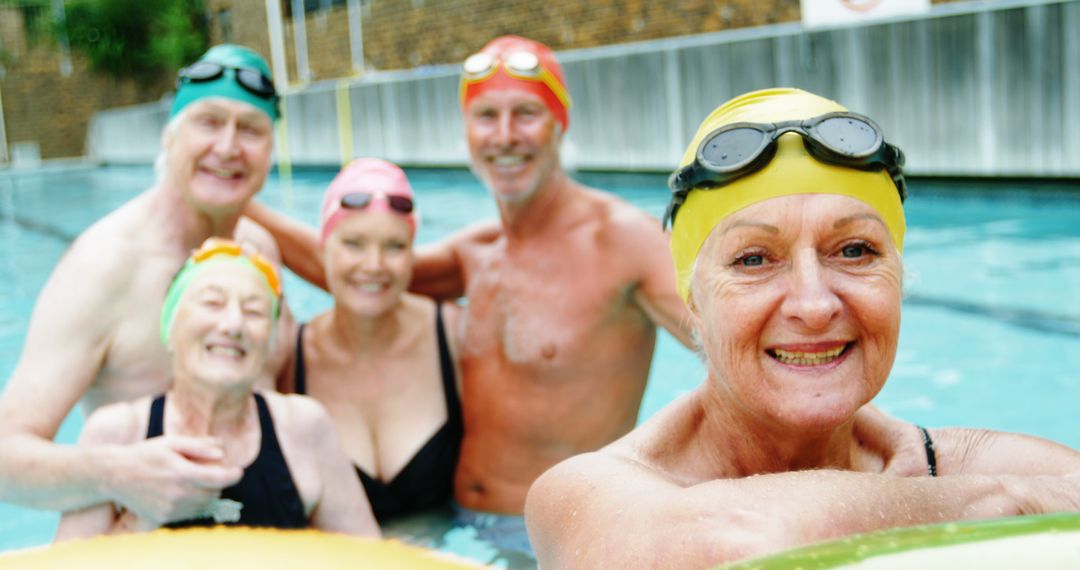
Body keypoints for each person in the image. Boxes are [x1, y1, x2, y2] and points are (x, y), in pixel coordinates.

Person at [524, 88, 1080, 568]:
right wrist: (1006, 505)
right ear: (693, 301)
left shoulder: (976, 465)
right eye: (754, 260)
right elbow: (728, 549)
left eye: (855, 250)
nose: (813, 305)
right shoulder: (587, 492)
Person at [245, 35, 695, 527]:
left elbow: (734, 347)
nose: (504, 136)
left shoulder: (626, 242)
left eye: (526, 113)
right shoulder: (474, 253)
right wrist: (232, 195)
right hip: (460, 526)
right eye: (485, 116)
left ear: (559, 124)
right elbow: (357, 274)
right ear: (467, 133)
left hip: (565, 537)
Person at [0, 44, 293, 525]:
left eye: (251, 129)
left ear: (271, 150)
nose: (227, 146)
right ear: (168, 139)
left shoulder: (260, 253)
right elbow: (6, 459)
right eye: (208, 121)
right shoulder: (104, 268)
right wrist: (115, 472)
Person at [55, 240, 379, 539]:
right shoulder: (119, 433)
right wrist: (142, 518)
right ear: (171, 327)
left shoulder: (304, 429)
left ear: (269, 342)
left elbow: (371, 561)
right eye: (212, 304)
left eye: (253, 311)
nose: (233, 325)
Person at [278, 158, 463, 524]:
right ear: (323, 246)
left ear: (413, 253)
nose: (373, 265)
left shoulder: (454, 336)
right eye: (353, 243)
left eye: (394, 246)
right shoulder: (289, 357)